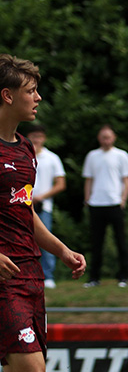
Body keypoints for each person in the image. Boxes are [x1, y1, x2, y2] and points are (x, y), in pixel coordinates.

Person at [0, 55, 86, 372]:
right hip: (4, 279)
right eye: (31, 90)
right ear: (7, 95)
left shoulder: (24, 151)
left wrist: (62, 249)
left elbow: (25, 212)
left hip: (31, 274)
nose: (38, 98)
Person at [82, 124, 128, 288]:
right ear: (99, 138)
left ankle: (123, 276)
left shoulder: (121, 155)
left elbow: (127, 180)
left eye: (109, 137)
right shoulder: (92, 156)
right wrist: (87, 199)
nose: (106, 140)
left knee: (120, 240)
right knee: (96, 242)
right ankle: (94, 277)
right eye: (103, 137)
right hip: (96, 203)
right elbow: (88, 179)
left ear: (114, 138)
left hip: (114, 203)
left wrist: (123, 200)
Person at [26, 124, 65, 289]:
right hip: (21, 204)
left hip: (44, 206)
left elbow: (61, 183)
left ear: (44, 138)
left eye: (39, 136)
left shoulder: (52, 158)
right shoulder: (22, 155)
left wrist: (42, 196)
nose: (36, 139)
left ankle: (48, 275)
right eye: (33, 136)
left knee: (46, 239)